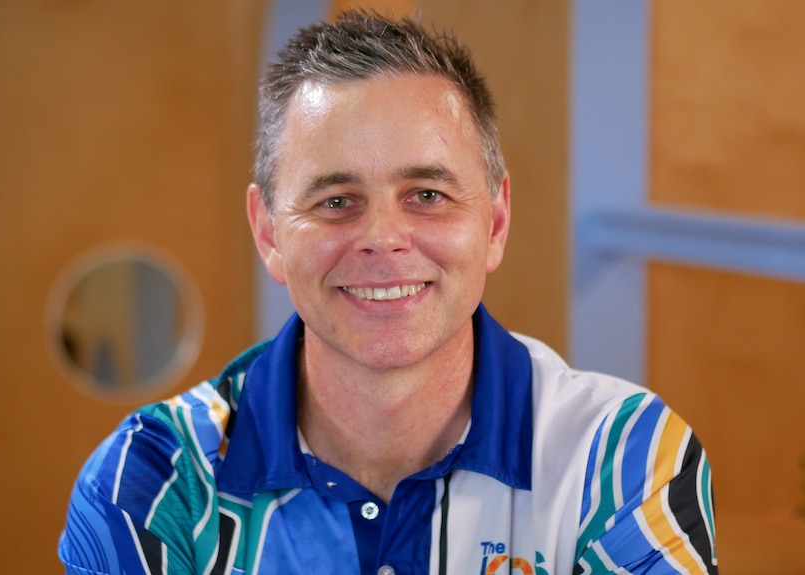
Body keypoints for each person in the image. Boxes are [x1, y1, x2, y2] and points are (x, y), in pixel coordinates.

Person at [59, 10, 718, 575]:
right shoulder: (149, 480)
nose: (382, 238)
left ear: (494, 220)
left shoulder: (622, 458)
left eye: (426, 195)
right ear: (268, 233)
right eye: (336, 199)